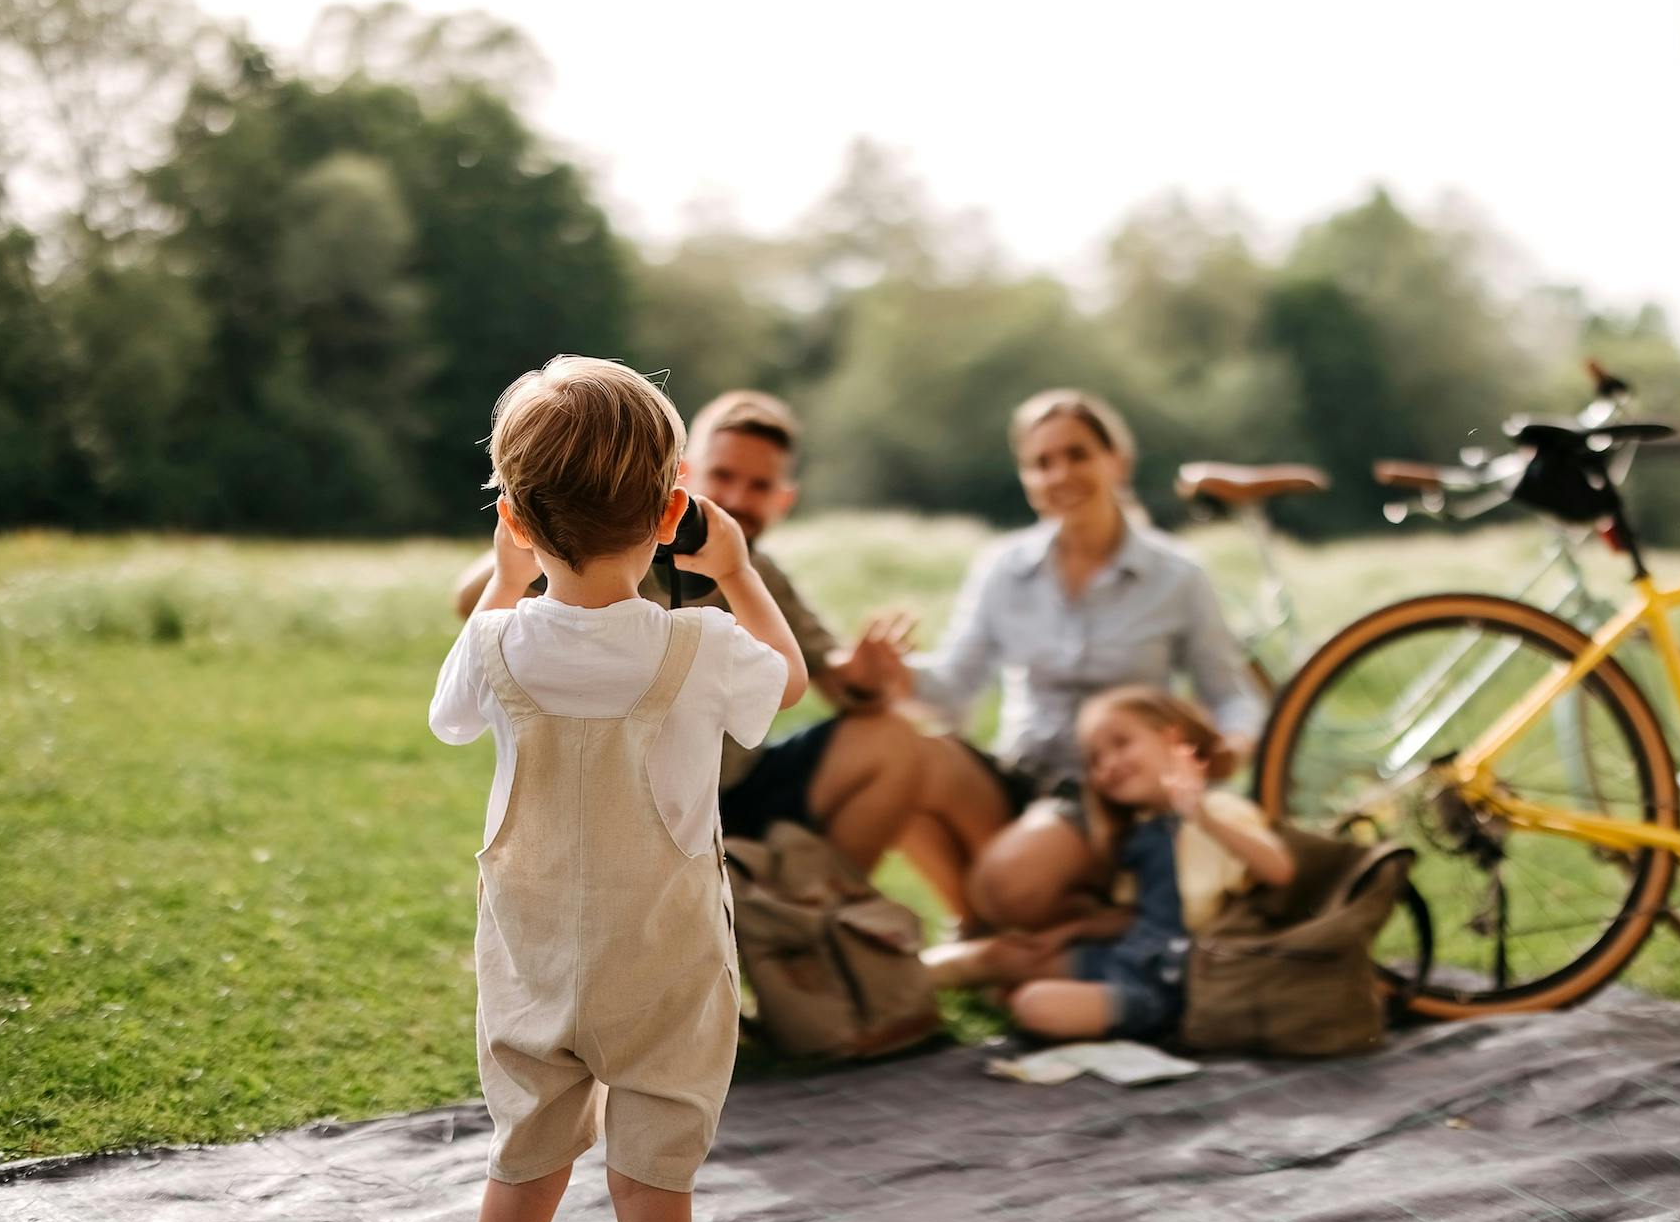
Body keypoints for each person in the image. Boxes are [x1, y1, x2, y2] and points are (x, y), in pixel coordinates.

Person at [429, 356, 806, 1222]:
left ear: (515, 520)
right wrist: (742, 573)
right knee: (650, 1183)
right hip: (665, 968)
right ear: (672, 513)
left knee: (524, 1168)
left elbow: (450, 721)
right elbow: (788, 683)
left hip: (536, 963)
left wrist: (500, 573)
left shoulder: (493, 640)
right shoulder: (703, 643)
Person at [446, 391, 1004, 912]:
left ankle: (808, 922)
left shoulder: (763, 577)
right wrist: (543, 533)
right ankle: (774, 919)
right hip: (637, 796)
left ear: (784, 500)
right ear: (678, 482)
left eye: (760, 487)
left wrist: (854, 672)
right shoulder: (608, 549)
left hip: (736, 786)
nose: (737, 499)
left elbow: (815, 672)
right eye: (724, 477)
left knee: (894, 739)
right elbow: (472, 601)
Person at [865, 389, 1266, 931]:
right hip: (1019, 772)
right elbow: (954, 687)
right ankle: (1011, 935)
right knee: (898, 764)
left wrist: (1235, 743)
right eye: (1041, 463)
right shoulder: (1002, 569)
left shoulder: (1177, 576)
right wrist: (897, 674)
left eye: (1077, 454)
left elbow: (1231, 693)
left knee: (1003, 883)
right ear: (1027, 478)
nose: (1060, 474)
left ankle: (1006, 932)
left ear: (1116, 461)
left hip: (1107, 794)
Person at [923, 687, 1293, 1040]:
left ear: (1171, 737)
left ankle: (1108, 1012)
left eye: (1121, 743)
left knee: (1033, 1005)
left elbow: (1279, 870)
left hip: (1174, 981)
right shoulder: (1142, 836)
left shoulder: (1219, 812)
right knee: (1004, 955)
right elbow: (1138, 915)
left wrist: (1203, 817)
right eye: (1096, 758)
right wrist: (1067, 933)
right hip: (1122, 957)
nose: (1110, 764)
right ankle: (898, 981)